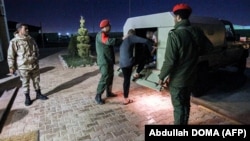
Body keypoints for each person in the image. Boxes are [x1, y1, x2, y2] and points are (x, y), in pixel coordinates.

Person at [158, 3, 213, 124]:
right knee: (186, 104)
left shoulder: (175, 34)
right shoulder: (197, 31)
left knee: (178, 107)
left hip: (178, 80)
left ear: (178, 17)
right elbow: (209, 48)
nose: (174, 19)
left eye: (174, 17)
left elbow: (170, 61)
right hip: (191, 77)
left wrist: (161, 77)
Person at [7, 23, 48, 106]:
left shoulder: (31, 39)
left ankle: (38, 94)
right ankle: (27, 98)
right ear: (19, 30)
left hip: (34, 64)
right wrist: (11, 67)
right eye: (25, 28)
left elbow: (36, 49)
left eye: (27, 28)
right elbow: (10, 56)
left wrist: (36, 57)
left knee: (36, 80)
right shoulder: (14, 41)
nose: (27, 30)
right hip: (23, 66)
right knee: (25, 82)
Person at [119, 29, 152, 105]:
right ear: (133, 35)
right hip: (128, 63)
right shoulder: (131, 37)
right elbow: (146, 41)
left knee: (126, 80)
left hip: (122, 64)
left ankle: (125, 98)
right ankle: (137, 72)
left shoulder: (124, 39)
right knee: (143, 59)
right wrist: (151, 49)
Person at [95, 19, 122, 105]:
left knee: (110, 76)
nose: (110, 27)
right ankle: (98, 96)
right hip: (104, 61)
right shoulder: (101, 35)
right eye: (109, 26)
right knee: (105, 76)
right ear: (105, 27)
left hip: (108, 60)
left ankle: (109, 92)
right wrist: (121, 39)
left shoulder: (105, 34)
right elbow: (108, 41)